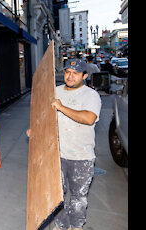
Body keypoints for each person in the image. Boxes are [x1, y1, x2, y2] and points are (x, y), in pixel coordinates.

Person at [27, 59, 101, 230]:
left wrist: (61, 107)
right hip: (56, 154)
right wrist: (36, 132)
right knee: (55, 196)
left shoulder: (90, 95)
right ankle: (61, 225)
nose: (70, 76)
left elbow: (89, 118)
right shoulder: (55, 91)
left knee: (78, 197)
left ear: (84, 76)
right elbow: (44, 115)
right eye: (68, 72)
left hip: (81, 156)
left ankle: (76, 226)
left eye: (75, 73)